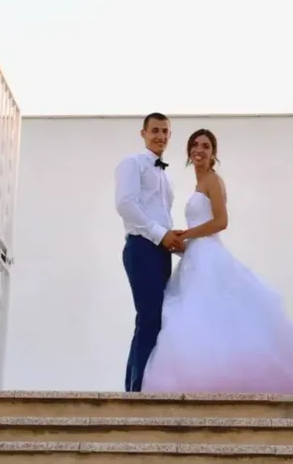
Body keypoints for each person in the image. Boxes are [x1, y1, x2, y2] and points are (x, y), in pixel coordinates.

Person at [141, 129, 293, 396]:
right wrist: (181, 243)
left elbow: (221, 222)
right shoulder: (199, 184)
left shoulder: (212, 180)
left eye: (206, 146)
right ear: (188, 152)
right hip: (196, 256)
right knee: (200, 319)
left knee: (211, 315)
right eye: (195, 145)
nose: (199, 149)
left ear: (213, 153)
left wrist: (188, 233)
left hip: (208, 257)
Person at [114, 112, 185, 392]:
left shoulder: (164, 174)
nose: (160, 136)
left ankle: (139, 387)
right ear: (143, 133)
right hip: (142, 248)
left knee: (153, 320)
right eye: (155, 130)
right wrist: (160, 234)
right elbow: (126, 205)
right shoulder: (132, 163)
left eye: (165, 131)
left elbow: (161, 216)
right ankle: (137, 390)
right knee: (149, 318)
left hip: (160, 252)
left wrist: (176, 240)